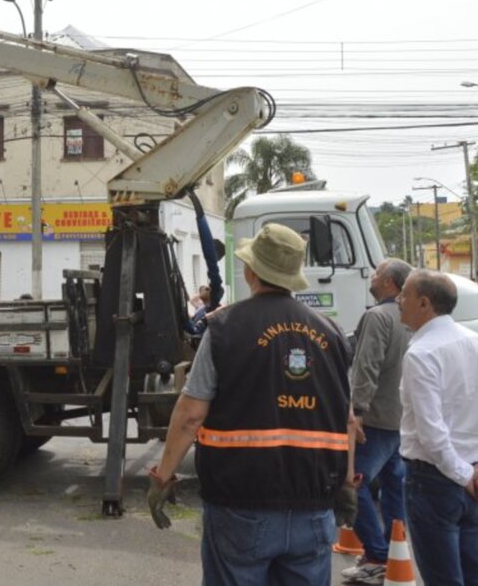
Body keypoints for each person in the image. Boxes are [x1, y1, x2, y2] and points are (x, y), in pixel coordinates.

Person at [148, 223, 355, 586]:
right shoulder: (332, 333)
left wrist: (162, 478)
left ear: (250, 270)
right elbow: (347, 421)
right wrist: (349, 485)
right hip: (314, 505)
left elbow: (190, 415)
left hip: (240, 506)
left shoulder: (225, 328)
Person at [397, 270, 478, 586]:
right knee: (474, 573)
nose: (398, 301)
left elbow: (431, 432)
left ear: (424, 303)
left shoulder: (421, 353)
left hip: (435, 479)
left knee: (444, 578)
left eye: (404, 295)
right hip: (474, 474)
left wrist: (468, 474)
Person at [342, 258, 412, 586]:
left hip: (375, 420)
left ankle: (376, 555)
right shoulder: (412, 317)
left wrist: (356, 412)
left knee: (352, 485)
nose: (372, 276)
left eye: (377, 273)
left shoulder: (377, 316)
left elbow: (365, 367)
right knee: (394, 486)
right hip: (402, 418)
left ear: (389, 284)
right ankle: (394, 550)